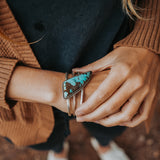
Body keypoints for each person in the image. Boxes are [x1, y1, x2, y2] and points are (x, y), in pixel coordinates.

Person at [0, 0, 159, 160]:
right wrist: (56, 90)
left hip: (110, 65)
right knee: (46, 139)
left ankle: (104, 144)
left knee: (109, 124)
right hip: (23, 104)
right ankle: (58, 151)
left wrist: (144, 41)